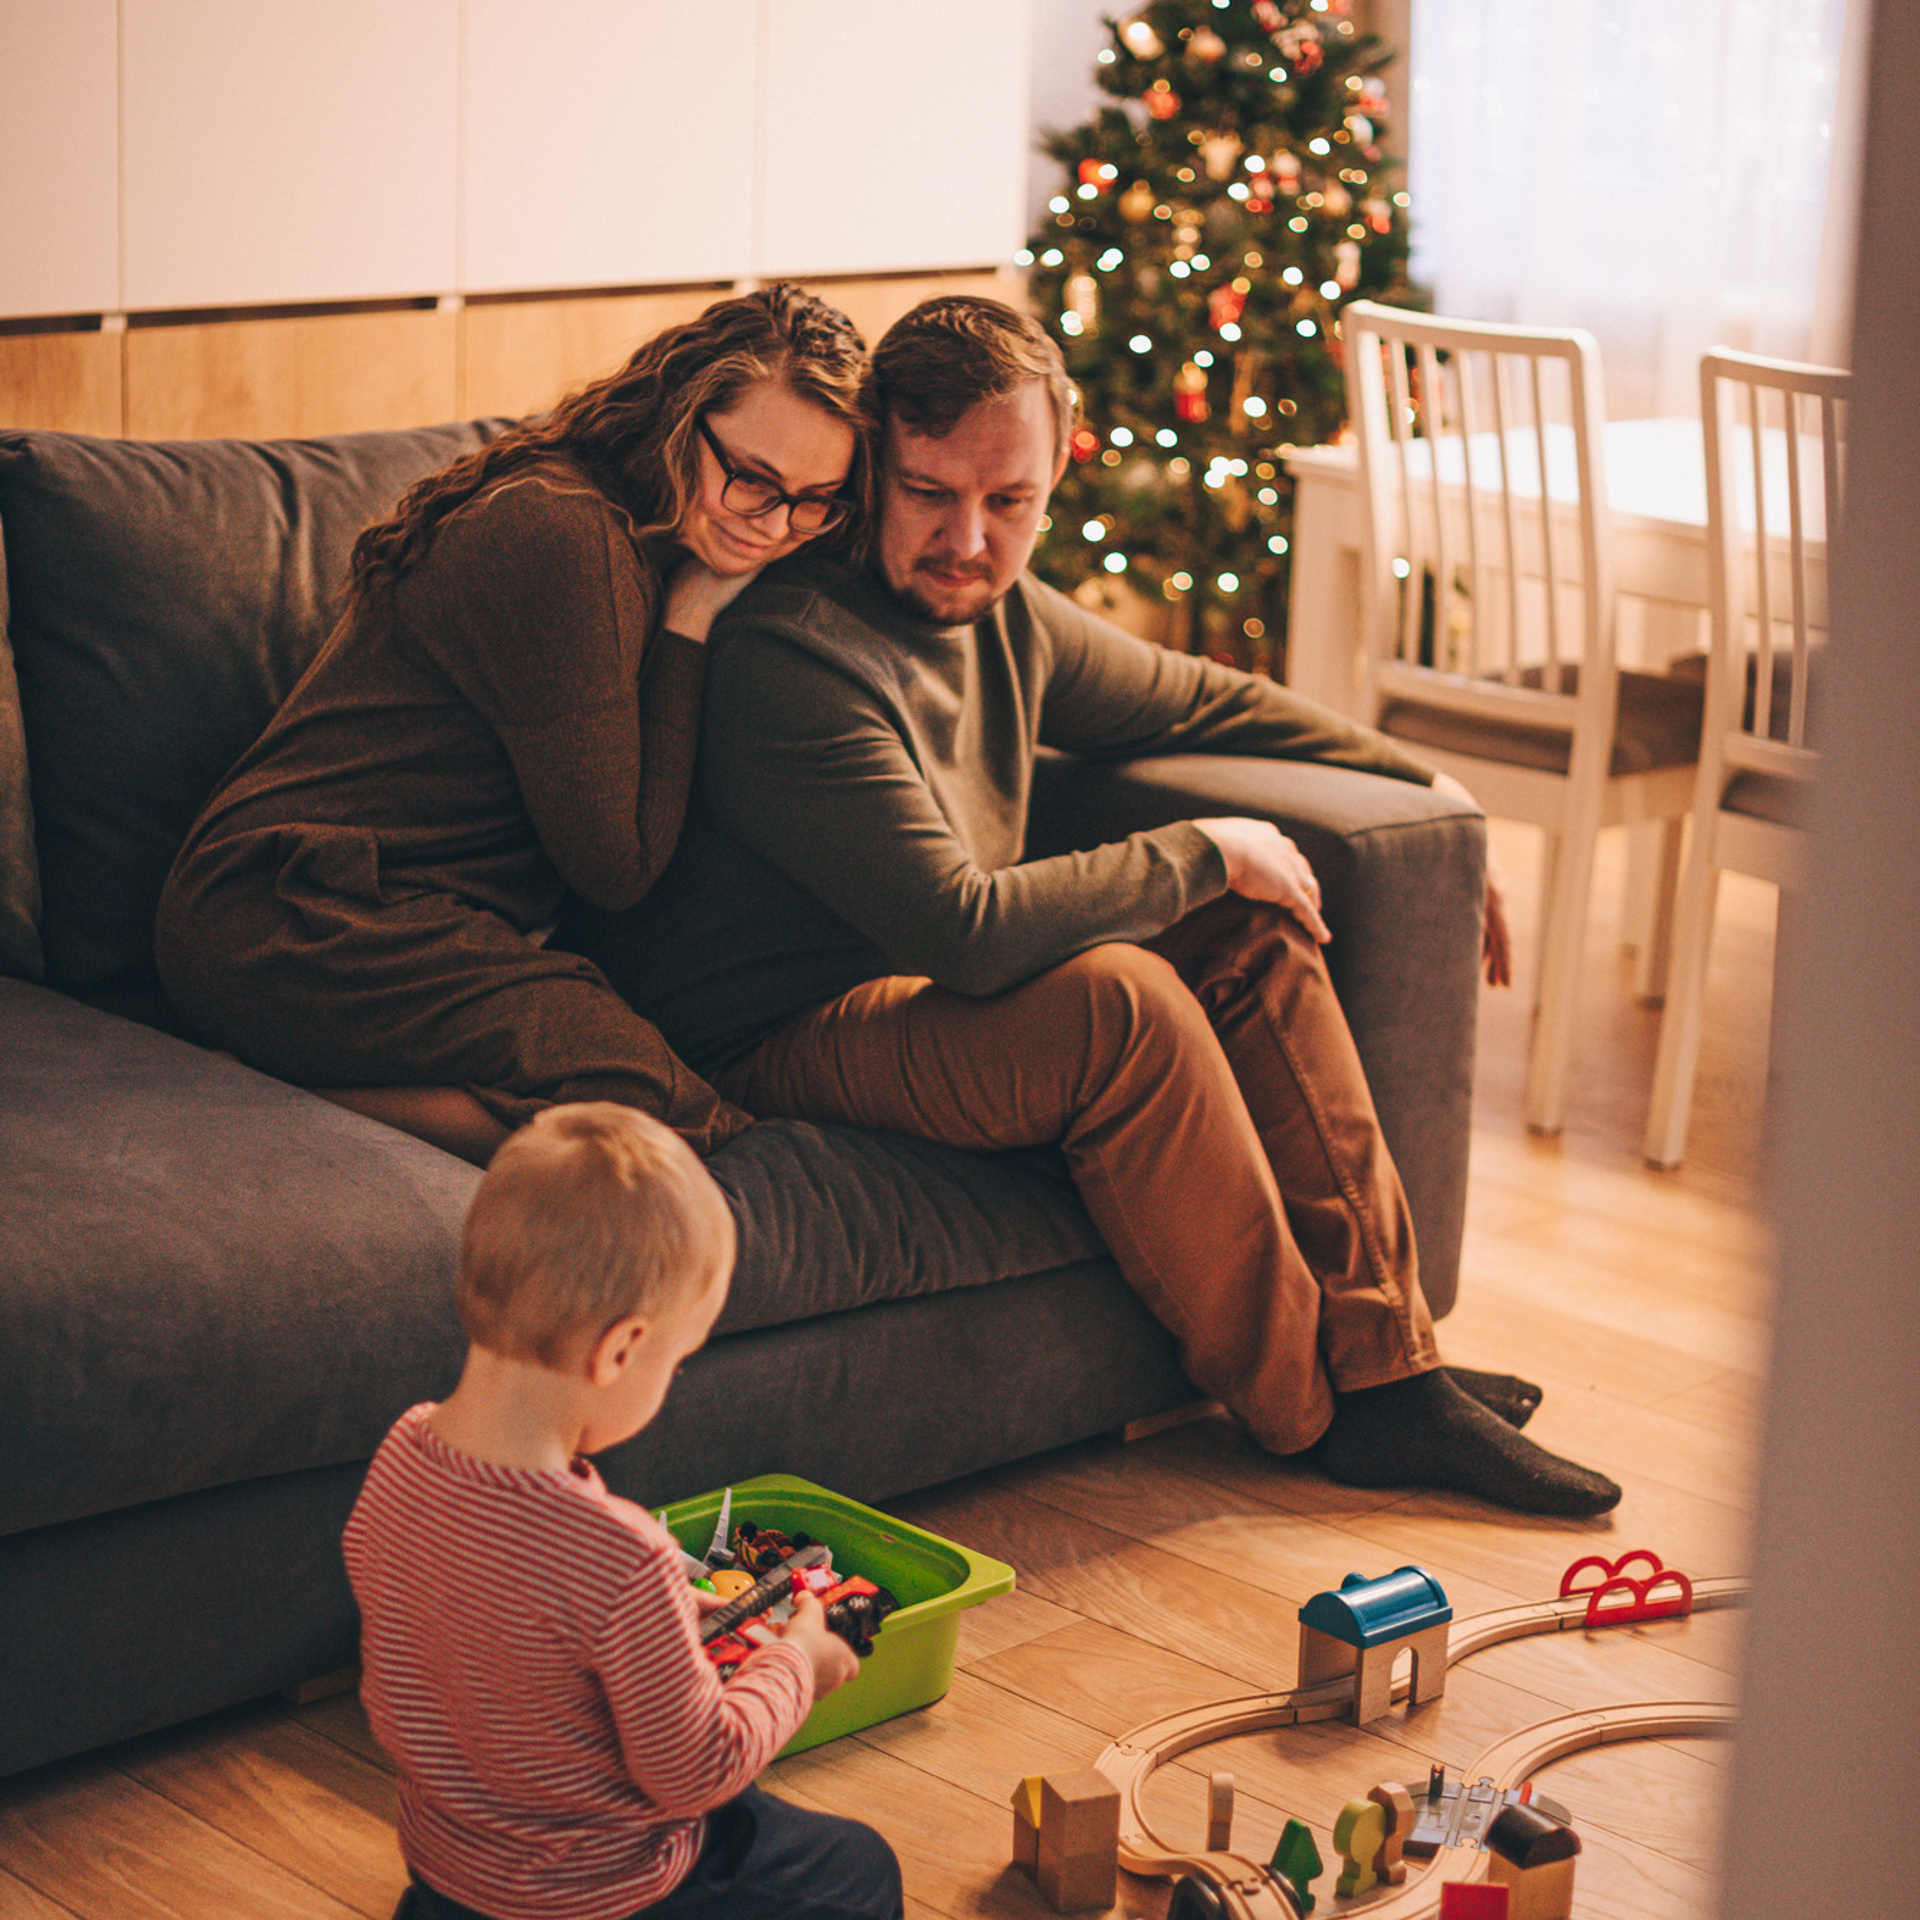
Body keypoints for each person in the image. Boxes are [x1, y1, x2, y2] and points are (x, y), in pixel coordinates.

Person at [560, 295, 1618, 1518]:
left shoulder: (1002, 614)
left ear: (1056, 476)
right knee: (1121, 999)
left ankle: (1389, 1359)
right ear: (870, 474)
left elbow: (1201, 701)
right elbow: (961, 926)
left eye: (1007, 502)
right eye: (928, 492)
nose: (968, 539)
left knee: (1253, 924)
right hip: (768, 1036)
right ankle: (1318, 1411)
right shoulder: (791, 653)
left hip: (907, 996)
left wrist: (1426, 779)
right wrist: (1204, 850)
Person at [155, 284, 868, 1166]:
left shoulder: (649, 521)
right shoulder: (568, 536)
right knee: (673, 1123)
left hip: (382, 913)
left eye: (815, 499)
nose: (772, 526)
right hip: (296, 914)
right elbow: (618, 868)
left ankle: (296, 1087)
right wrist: (692, 618)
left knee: (651, 1116)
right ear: (682, 419)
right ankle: (282, 1101)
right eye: (753, 478)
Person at [343, 1101, 904, 1920]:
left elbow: (498, 1612)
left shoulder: (403, 1454)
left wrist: (670, 1611)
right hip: (605, 1893)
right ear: (619, 1350)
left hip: (453, 1874)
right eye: (676, 1359)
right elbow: (700, 1769)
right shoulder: (620, 1554)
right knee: (859, 1870)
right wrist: (796, 1665)